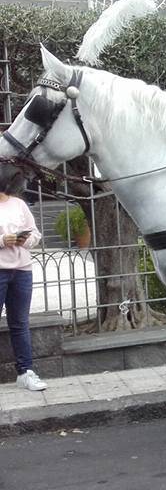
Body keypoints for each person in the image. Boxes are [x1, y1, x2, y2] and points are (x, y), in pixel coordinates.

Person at [0, 166, 46, 391]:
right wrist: (2, 240)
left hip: (22, 270)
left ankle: (26, 372)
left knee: (20, 324)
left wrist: (23, 240)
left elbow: (35, 234)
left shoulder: (18, 204)